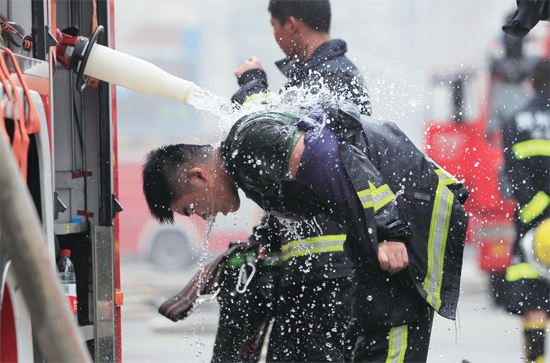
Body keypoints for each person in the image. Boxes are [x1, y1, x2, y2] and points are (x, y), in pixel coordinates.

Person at [142, 101, 469, 362]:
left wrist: (386, 230)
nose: (202, 216)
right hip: (388, 214)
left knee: (388, 338)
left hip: (404, 205)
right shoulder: (246, 166)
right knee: (369, 339)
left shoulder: (246, 143)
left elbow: (325, 155)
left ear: (199, 177)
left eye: (190, 208)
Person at [229, 0, 362, 360]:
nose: (275, 38)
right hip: (310, 269)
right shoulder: (319, 75)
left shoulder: (334, 76)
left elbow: (295, 152)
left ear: (290, 24)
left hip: (328, 272)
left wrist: (255, 94)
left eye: (274, 27)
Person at [232, 0, 371, 116]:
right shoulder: (332, 69)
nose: (275, 33)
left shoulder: (330, 75)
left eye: (274, 25)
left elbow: (282, 137)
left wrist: (253, 84)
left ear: (291, 25)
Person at [501, 58, 550, 362]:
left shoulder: (515, 121)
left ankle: (535, 360)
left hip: (534, 227)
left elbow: (514, 179)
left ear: (531, 82)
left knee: (535, 301)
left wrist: (537, 213)